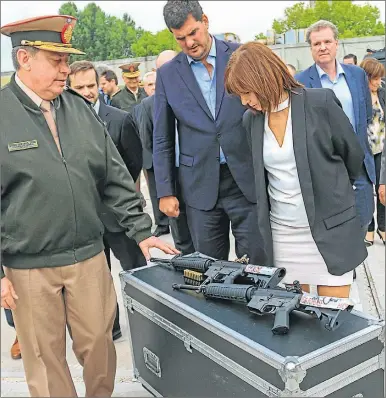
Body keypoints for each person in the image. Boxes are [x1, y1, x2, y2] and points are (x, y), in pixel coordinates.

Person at [0, 15, 178, 397]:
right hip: (28, 266)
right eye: (56, 61)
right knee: (44, 357)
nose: (66, 70)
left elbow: (114, 175)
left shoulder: (77, 108)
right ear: (24, 59)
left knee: (100, 344)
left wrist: (142, 232)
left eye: (67, 60)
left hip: (88, 257)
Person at [225, 42, 366, 298]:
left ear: (264, 78)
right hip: (282, 237)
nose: (244, 101)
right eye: (239, 96)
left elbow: (353, 157)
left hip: (329, 232)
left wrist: (334, 193)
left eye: (246, 92)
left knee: (333, 319)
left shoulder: (319, 103)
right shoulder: (251, 120)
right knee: (298, 323)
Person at [153, 0, 264, 262]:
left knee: (258, 267)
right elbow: (162, 137)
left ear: (205, 20)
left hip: (246, 180)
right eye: (180, 38)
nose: (189, 43)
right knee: (209, 272)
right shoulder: (168, 74)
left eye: (193, 33)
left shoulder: (241, 55)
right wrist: (166, 191)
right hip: (199, 187)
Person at [68, 60, 148, 341]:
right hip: (86, 219)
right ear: (70, 88)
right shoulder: (64, 123)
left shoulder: (120, 119)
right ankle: (110, 327)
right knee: (96, 281)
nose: (88, 92)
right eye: (80, 87)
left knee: (135, 271)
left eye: (91, 85)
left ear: (99, 84)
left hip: (119, 216)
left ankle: (147, 325)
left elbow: (133, 163)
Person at [296, 20, 375, 240]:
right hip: (326, 167)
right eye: (316, 43)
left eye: (327, 41)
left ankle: (352, 270)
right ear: (310, 48)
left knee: (363, 218)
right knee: (334, 230)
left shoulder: (357, 75)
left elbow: (366, 116)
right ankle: (342, 273)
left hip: (359, 164)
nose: (322, 47)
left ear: (336, 44)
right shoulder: (300, 82)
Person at [137, 50, 195, 254]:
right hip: (170, 176)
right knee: (182, 235)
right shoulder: (148, 105)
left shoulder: (195, 95)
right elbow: (148, 140)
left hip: (197, 176)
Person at [359, 57, 385, 245]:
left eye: (379, 78)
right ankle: (369, 228)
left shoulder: (383, 92)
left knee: (382, 189)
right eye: (374, 78)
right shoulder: (359, 95)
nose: (377, 82)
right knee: (367, 191)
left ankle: (382, 227)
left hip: (382, 149)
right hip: (365, 150)